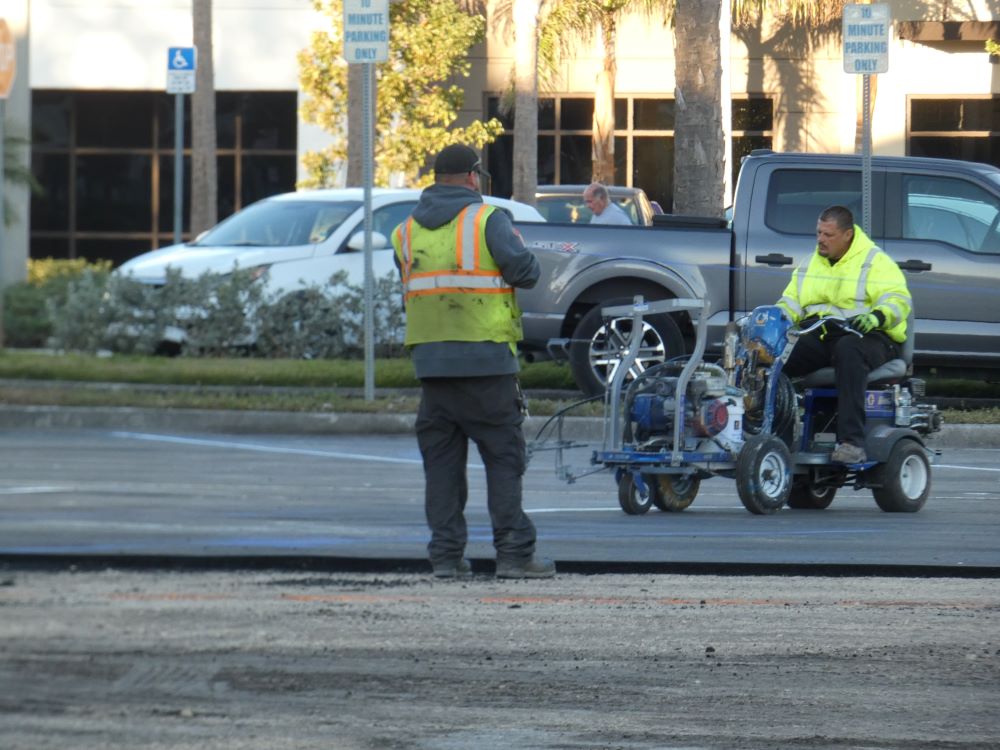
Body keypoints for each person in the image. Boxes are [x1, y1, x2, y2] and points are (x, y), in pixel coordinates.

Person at [391, 144, 556, 580]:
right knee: (503, 459)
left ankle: (445, 558)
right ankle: (515, 556)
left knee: (442, 466)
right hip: (487, 363)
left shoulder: (406, 230)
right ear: (472, 177)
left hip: (432, 368)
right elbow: (526, 272)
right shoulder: (487, 220)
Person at [776, 205, 912, 464]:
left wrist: (876, 317)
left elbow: (898, 300)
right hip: (822, 335)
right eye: (818, 233)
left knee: (849, 350)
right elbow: (790, 302)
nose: (820, 240)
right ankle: (777, 440)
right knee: (779, 356)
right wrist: (775, 320)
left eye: (828, 235)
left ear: (847, 235)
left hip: (871, 337)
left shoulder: (875, 261)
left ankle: (851, 443)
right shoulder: (810, 263)